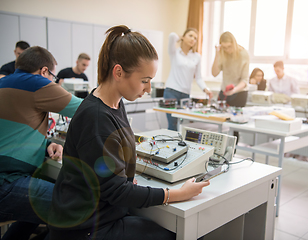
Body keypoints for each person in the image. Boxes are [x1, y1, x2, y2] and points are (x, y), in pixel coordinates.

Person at [48, 25, 210, 240]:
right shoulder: (96, 118)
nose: (148, 88)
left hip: (99, 216)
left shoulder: (115, 103)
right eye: (144, 80)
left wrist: (124, 178)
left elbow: (111, 171)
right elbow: (116, 191)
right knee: (175, 235)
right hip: (87, 228)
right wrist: (178, 194)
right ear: (118, 72)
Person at [0, 46, 83, 240]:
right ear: (44, 71)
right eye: (52, 77)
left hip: (7, 178)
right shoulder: (35, 83)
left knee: (34, 211)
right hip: (6, 182)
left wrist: (46, 144)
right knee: (75, 207)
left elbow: (12, 131)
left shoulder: (5, 84)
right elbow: (87, 110)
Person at [164, 28, 213, 131]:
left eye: (195, 38)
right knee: (173, 125)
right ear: (183, 36)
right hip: (171, 92)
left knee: (183, 126)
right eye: (190, 36)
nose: (193, 39)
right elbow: (172, 35)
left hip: (185, 95)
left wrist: (206, 89)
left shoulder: (197, 57)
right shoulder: (174, 52)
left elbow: (199, 78)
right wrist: (179, 37)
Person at [211, 31, 249, 108]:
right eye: (224, 47)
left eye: (229, 46)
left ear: (234, 43)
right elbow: (214, 74)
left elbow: (245, 80)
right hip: (224, 92)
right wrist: (217, 55)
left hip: (239, 93)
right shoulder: (222, 52)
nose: (227, 50)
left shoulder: (243, 54)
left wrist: (234, 90)